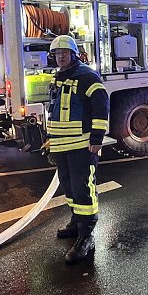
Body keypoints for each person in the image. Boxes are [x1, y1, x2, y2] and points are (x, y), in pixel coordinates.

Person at [45, 35, 109, 263]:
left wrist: (97, 138)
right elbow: (55, 110)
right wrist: (50, 138)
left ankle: (86, 237)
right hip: (62, 144)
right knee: (68, 186)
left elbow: (101, 106)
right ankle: (76, 222)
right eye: (57, 54)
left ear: (74, 54)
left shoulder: (86, 77)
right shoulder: (59, 77)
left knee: (83, 189)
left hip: (82, 145)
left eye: (64, 53)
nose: (60, 57)